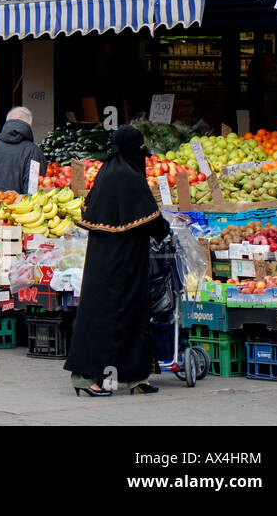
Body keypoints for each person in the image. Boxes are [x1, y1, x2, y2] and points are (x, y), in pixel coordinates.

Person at [65, 126, 170, 396]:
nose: (143, 152)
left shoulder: (108, 170)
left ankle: (134, 376)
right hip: (124, 259)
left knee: (120, 313)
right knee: (113, 315)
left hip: (106, 260)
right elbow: (150, 216)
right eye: (140, 147)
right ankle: (86, 377)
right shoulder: (128, 175)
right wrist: (165, 229)